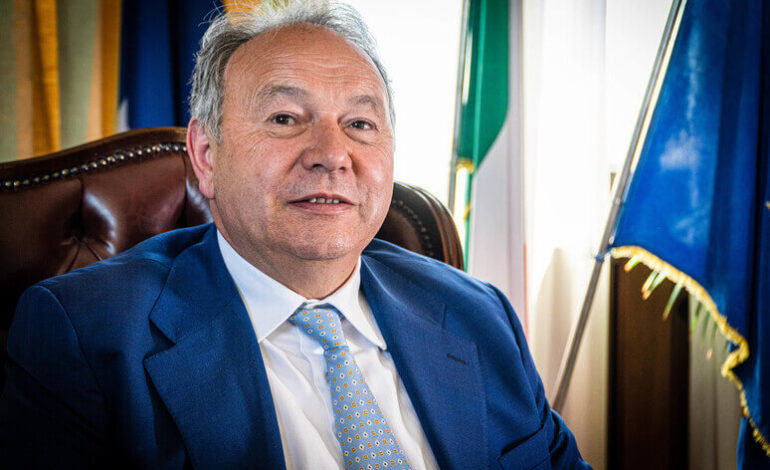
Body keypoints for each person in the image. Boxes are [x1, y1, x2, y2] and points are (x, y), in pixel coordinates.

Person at [0, 1, 589, 469]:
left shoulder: (479, 315)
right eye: (285, 118)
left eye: (360, 123)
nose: (333, 154)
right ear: (206, 155)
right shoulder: (86, 335)